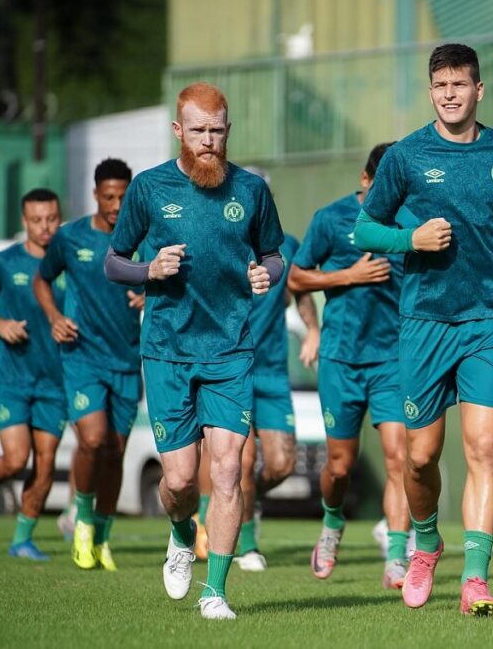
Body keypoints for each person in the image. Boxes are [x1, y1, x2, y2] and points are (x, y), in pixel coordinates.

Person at [354, 44, 493, 616]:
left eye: (461, 84)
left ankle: (477, 579)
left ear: (479, 90)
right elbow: (364, 229)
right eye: (441, 86)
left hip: (490, 318)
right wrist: (411, 241)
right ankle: (427, 543)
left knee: (485, 446)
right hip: (425, 321)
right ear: (431, 91)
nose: (451, 93)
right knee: (420, 458)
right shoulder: (406, 156)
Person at [103, 82, 285, 621]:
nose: (208, 141)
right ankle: (182, 534)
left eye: (217, 131)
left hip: (230, 350)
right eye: (198, 131)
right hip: (167, 351)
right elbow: (114, 261)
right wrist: (148, 269)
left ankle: (216, 591)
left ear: (228, 131)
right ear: (179, 131)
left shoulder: (251, 190)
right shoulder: (149, 188)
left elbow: (275, 256)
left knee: (228, 471)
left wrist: (265, 273)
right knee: (180, 480)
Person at [288, 142, 413, 589]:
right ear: (365, 180)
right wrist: (347, 277)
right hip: (341, 360)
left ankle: (397, 555)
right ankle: (332, 523)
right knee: (340, 466)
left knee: (401, 457)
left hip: (393, 362)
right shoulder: (331, 219)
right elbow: (296, 277)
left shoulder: (411, 223)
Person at [193, 165, 320, 571]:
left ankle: (239, 504)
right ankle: (244, 545)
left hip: (271, 371)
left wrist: (312, 329)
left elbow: (297, 288)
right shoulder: (220, 240)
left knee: (282, 463)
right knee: (241, 461)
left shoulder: (288, 245)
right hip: (232, 368)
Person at [33, 158, 144, 571]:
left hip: (127, 359)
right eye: (109, 196)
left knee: (115, 452)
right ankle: (80, 517)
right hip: (82, 355)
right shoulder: (70, 238)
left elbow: (169, 279)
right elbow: (42, 279)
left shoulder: (143, 237)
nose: (117, 204)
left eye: (123, 196)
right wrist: (54, 317)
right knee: (93, 439)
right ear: (96, 194)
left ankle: (103, 535)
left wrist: (151, 294)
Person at [0, 189, 68, 561]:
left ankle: (22, 538)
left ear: (60, 216)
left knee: (46, 462)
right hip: (13, 379)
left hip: (56, 382)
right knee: (15, 459)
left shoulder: (70, 262)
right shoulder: (4, 263)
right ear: (25, 221)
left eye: (52, 219)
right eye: (37, 220)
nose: (45, 227)